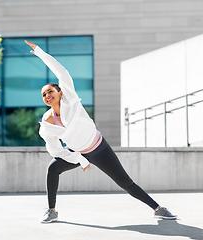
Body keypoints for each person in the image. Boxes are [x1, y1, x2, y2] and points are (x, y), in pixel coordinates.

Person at [25, 40, 177, 223]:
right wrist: (78, 159)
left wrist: (40, 53)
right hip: (78, 152)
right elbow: (54, 148)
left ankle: (158, 209)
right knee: (53, 168)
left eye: (50, 91)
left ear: (60, 92)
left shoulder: (70, 99)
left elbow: (62, 72)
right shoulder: (48, 122)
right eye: (43, 95)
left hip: (99, 149)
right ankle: (52, 211)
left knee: (125, 183)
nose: (47, 96)